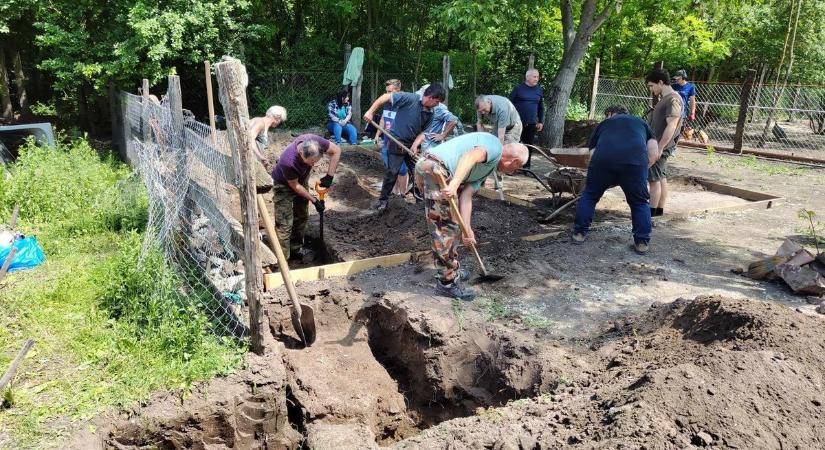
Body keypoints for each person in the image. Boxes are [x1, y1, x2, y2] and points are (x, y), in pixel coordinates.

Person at [415, 132, 528, 300]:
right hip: (436, 167)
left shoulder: (486, 169)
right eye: (515, 169)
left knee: (456, 227)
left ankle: (451, 268)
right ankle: (446, 284)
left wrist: (467, 229)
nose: (512, 172)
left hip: (438, 170)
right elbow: (469, 157)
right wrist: (454, 184)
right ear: (514, 161)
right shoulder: (495, 146)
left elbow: (466, 197)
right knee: (445, 229)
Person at [572, 105, 660, 254]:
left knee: (590, 196)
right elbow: (653, 150)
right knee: (639, 202)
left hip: (603, 162)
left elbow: (592, 153)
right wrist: (641, 168)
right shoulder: (640, 122)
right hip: (634, 164)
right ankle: (642, 243)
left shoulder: (605, 124)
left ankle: (579, 234)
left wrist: (599, 174)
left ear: (610, 114)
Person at [363, 83, 445, 211]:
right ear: (430, 97)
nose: (438, 104)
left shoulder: (431, 113)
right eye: (437, 101)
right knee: (393, 172)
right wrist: (370, 112)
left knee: (419, 171)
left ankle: (420, 202)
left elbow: (424, 132)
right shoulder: (410, 98)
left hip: (412, 145)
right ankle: (383, 201)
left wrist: (415, 145)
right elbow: (385, 97)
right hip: (396, 141)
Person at [271, 134, 342, 260]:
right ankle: (282, 261)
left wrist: (329, 176)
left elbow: (336, 151)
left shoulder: (314, 141)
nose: (313, 165)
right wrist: (314, 200)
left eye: (316, 161)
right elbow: (295, 186)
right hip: (284, 185)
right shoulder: (288, 162)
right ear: (301, 154)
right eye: (312, 162)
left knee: (302, 216)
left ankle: (296, 249)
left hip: (301, 180)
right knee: (284, 224)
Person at [645, 69, 683, 219]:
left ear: (661, 82)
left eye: (651, 85)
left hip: (661, 146)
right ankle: (659, 211)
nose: (651, 89)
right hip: (660, 145)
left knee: (653, 180)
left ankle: (650, 215)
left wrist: (659, 147)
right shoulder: (666, 98)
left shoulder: (672, 99)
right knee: (661, 178)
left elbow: (672, 125)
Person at [373, 79, 408, 196]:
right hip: (387, 140)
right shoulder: (387, 103)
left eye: (390, 91)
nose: (387, 94)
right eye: (386, 91)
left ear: (398, 91)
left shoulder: (403, 105)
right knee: (390, 168)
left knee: (402, 169)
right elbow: (383, 119)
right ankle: (394, 191)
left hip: (399, 142)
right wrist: (378, 134)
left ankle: (402, 194)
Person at [509, 69, 544, 168]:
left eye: (537, 77)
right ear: (527, 77)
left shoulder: (539, 90)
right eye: (534, 77)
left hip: (531, 123)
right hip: (516, 122)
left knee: (529, 145)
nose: (536, 79)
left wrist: (541, 121)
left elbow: (541, 107)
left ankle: (526, 167)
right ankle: (512, 167)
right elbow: (509, 104)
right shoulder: (518, 89)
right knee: (515, 145)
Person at [411, 84, 460, 154]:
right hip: (419, 142)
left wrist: (442, 136)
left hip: (430, 146)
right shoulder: (421, 105)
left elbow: (453, 120)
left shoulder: (438, 108)